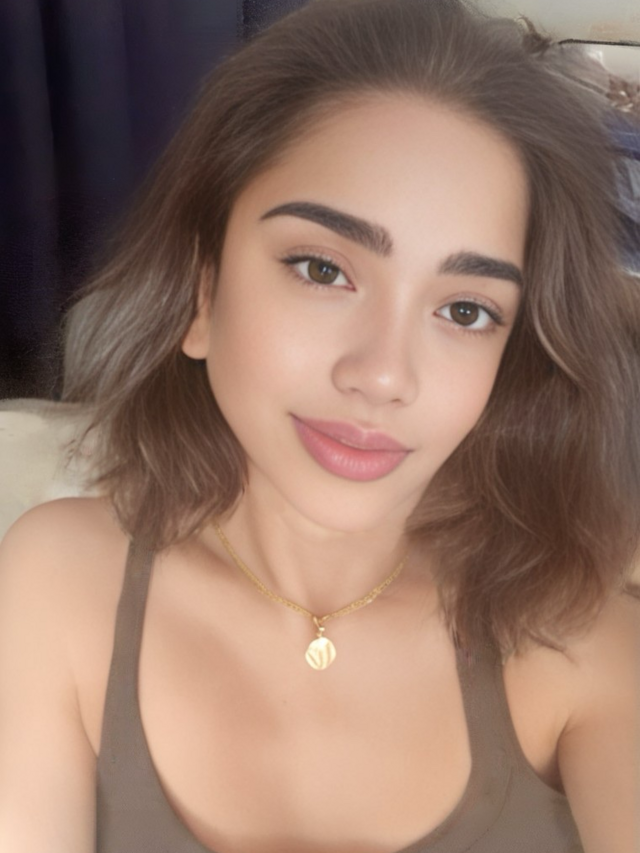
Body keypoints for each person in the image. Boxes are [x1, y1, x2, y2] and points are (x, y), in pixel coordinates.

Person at [1, 0, 639, 850]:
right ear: (202, 294)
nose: (383, 375)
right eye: (322, 268)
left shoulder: (580, 639)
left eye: (465, 309)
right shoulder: (59, 582)